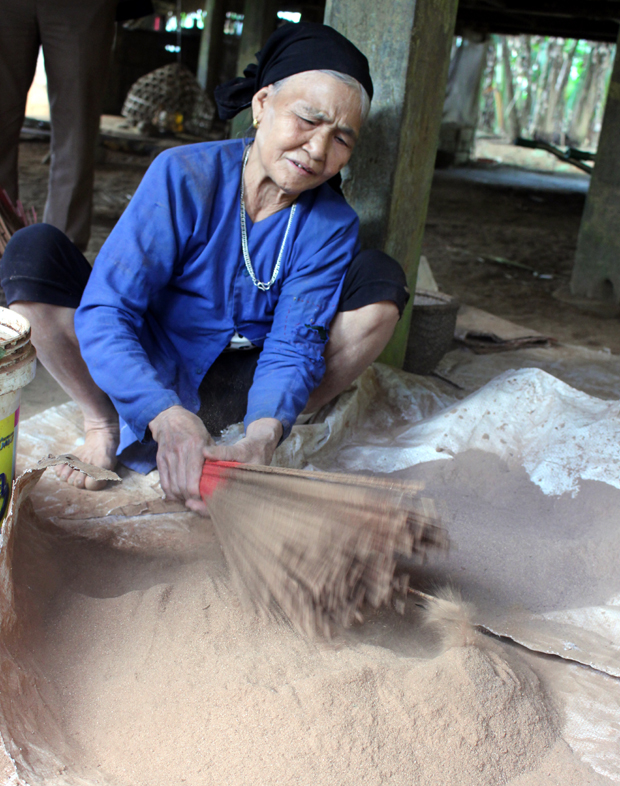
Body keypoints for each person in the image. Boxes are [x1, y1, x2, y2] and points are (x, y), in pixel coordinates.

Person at [0, 22, 408, 515]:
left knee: (381, 285)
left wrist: (261, 438)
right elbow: (108, 309)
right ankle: (104, 423)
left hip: (242, 381)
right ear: (262, 105)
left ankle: (244, 434)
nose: (319, 150)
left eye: (341, 138)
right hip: (150, 355)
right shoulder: (183, 174)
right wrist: (164, 414)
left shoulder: (331, 224)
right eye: (307, 119)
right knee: (31, 254)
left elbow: (292, 346)